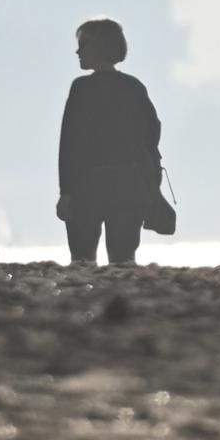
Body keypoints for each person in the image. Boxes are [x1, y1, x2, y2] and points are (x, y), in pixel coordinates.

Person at [56, 17, 164, 266]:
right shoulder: (133, 87)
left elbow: (70, 144)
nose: (77, 51)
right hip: (128, 185)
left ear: (97, 48)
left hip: (87, 186)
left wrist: (66, 192)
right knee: (124, 262)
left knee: (82, 262)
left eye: (83, 45)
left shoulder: (82, 89)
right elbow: (152, 135)